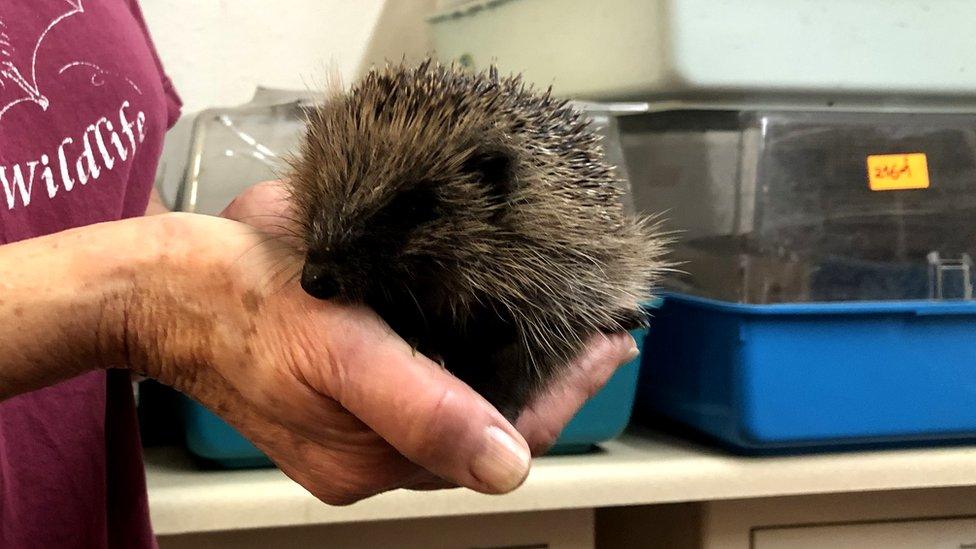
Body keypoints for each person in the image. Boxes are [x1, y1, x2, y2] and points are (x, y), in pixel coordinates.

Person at [0, 1, 638, 547]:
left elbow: (114, 195)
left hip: (86, 509)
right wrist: (134, 305)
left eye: (403, 216)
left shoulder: (535, 247)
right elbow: (137, 284)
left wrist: (194, 272)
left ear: (495, 193)